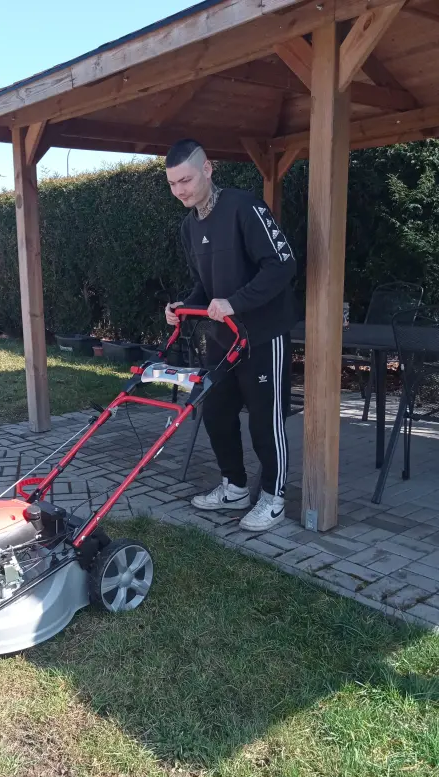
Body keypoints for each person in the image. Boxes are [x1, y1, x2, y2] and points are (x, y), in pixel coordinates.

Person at [165, 139, 297, 532]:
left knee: (265, 420)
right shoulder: (189, 226)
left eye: (186, 180)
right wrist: (182, 307)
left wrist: (236, 303)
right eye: (172, 184)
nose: (180, 190)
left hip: (262, 335)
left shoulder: (244, 207)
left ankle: (273, 497)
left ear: (207, 169)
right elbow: (203, 287)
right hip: (222, 340)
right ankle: (235, 487)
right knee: (216, 412)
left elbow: (282, 265)